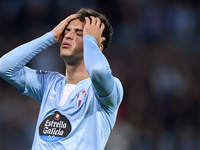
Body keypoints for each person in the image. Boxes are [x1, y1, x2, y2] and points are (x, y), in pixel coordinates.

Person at [0, 8, 123, 150]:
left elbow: (98, 71)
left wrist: (90, 40)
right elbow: (4, 67)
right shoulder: (49, 84)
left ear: (97, 46)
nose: (68, 36)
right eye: (67, 31)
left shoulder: (108, 89)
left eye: (79, 33)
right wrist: (50, 36)